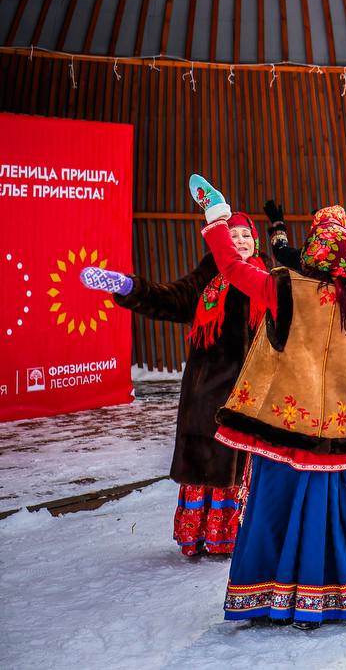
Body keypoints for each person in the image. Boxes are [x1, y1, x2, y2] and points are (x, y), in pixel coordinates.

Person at [186, 176, 346, 629]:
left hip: (280, 430)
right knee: (327, 512)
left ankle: (268, 597)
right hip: (332, 438)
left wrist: (218, 220)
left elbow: (230, 268)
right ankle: (330, 595)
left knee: (271, 508)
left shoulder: (284, 287)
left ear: (310, 253)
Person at [79, 213, 265, 557]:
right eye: (232, 235)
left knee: (250, 467)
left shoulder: (267, 280)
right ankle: (205, 535)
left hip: (255, 395)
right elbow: (170, 298)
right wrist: (127, 287)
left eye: (245, 235)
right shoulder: (207, 278)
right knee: (209, 462)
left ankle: (242, 536)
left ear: (256, 241)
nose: (239, 241)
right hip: (209, 392)